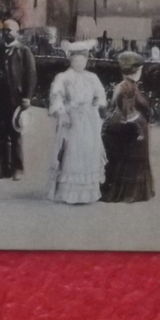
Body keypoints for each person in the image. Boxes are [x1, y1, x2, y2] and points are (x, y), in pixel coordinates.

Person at [46, 40, 108, 204]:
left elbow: (101, 94)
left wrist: (99, 103)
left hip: (89, 119)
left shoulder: (92, 77)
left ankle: (88, 192)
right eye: (76, 60)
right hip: (72, 118)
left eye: (83, 61)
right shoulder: (64, 77)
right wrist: (62, 112)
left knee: (88, 150)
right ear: (71, 61)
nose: (80, 63)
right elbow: (56, 96)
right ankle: (68, 192)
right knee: (72, 152)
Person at [0, 19, 36, 181]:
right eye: (4, 30)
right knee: (0, 134)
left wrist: (27, 97)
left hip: (16, 100)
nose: (6, 33)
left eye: (9, 30)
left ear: (17, 32)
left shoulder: (23, 51)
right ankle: (4, 169)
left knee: (16, 134)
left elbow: (31, 75)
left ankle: (18, 168)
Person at [101, 51, 155, 203]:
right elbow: (127, 110)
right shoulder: (126, 87)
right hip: (130, 128)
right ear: (136, 71)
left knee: (131, 159)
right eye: (139, 70)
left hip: (131, 126)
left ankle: (133, 192)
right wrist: (138, 129)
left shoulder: (130, 86)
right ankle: (128, 192)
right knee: (129, 159)